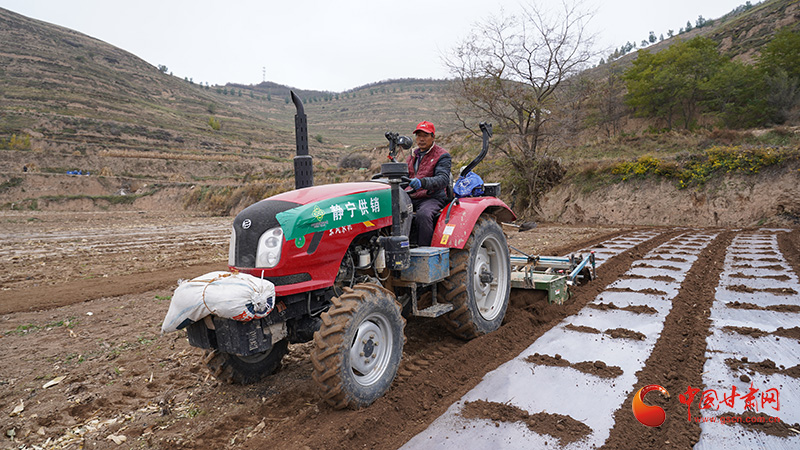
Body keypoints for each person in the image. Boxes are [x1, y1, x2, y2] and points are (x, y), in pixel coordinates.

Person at [405, 121, 452, 246]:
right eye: (418, 135)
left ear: (433, 137)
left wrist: (422, 182)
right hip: (412, 196)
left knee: (423, 215)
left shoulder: (442, 155)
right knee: (393, 210)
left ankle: (425, 250)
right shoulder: (412, 156)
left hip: (432, 197)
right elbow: (404, 177)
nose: (421, 139)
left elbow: (443, 179)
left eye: (425, 135)